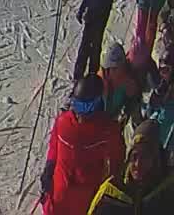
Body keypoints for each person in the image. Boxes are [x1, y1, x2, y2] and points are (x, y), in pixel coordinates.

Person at [41, 74, 124, 215]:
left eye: (86, 107)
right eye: (77, 105)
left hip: (85, 198)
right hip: (59, 195)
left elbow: (117, 160)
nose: (80, 113)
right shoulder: (64, 122)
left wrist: (111, 189)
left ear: (98, 103)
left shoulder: (107, 130)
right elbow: (54, 145)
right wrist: (49, 167)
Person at [88, 137, 171, 214]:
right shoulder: (111, 190)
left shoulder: (165, 192)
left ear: (155, 161)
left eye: (145, 158)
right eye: (134, 157)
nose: (138, 164)